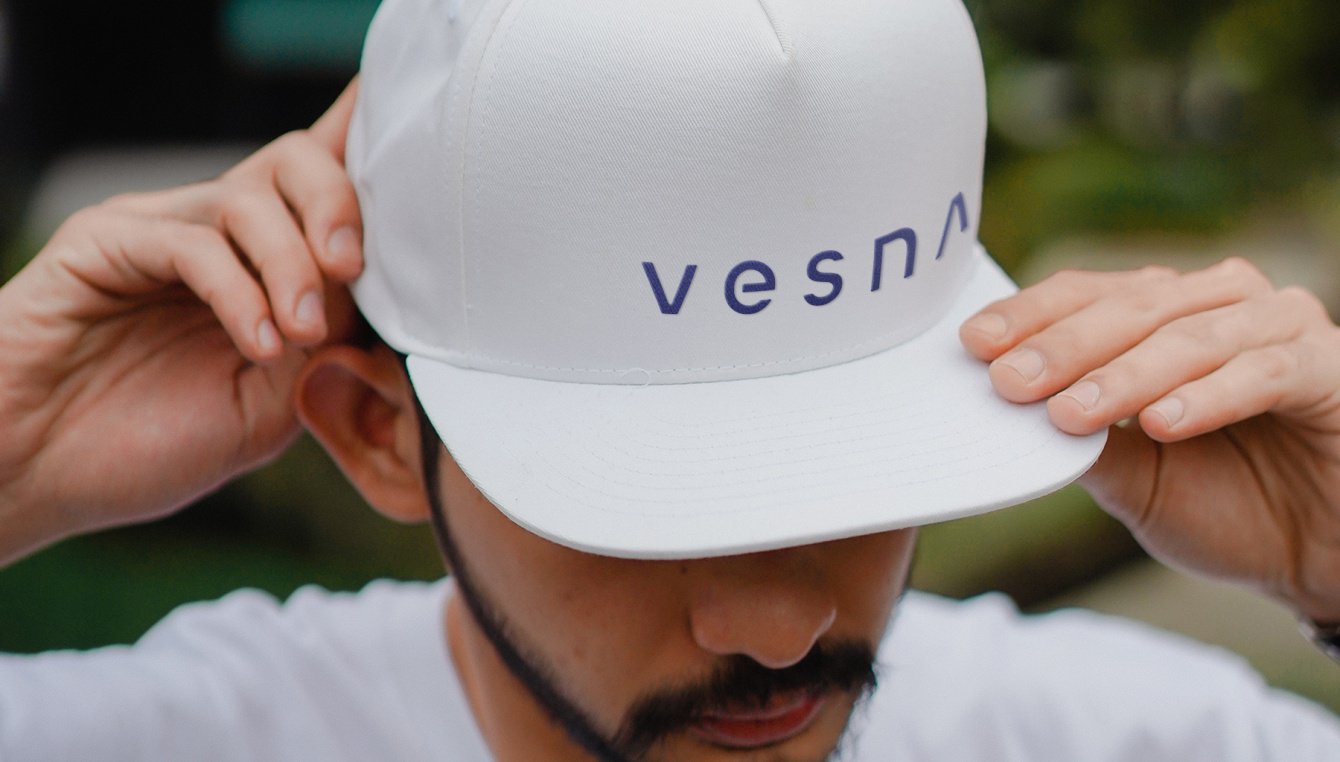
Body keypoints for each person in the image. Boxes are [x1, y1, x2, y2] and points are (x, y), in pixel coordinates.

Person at [3, 0, 1340, 759]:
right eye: (648, 506)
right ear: (376, 430)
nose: (780, 627)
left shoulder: (1111, 737)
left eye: (857, 467)